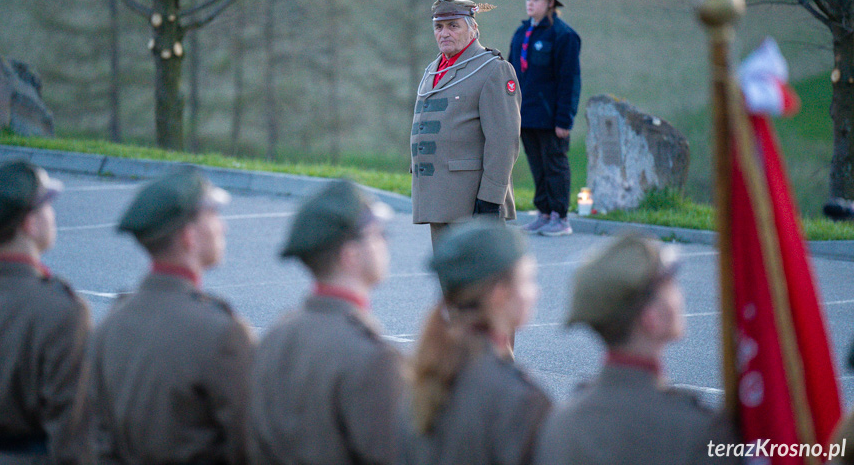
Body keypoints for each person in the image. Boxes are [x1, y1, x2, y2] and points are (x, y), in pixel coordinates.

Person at [90, 166, 254, 464]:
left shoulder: (111, 323)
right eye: (213, 215)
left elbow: (98, 439)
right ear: (189, 236)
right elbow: (249, 445)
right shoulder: (221, 333)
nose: (224, 227)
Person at [533, 232, 740, 465]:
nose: (679, 295)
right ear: (651, 318)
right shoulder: (698, 430)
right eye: (669, 284)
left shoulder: (562, 423)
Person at [247, 179, 405, 465]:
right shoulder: (375, 358)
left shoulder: (275, 337)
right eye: (377, 234)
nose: (386, 242)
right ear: (350, 256)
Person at [401, 220, 551, 465]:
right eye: (527, 280)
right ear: (500, 295)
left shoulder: (421, 377)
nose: (536, 292)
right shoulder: (520, 399)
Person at [0, 161, 92, 464]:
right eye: (47, 206)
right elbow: (72, 432)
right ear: (30, 224)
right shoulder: (61, 310)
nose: (53, 214)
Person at [411, 0, 522, 246]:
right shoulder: (434, 69)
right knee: (449, 281)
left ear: (473, 29)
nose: (444, 33)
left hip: (472, 202)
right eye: (439, 27)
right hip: (437, 198)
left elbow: (504, 140)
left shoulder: (493, 69)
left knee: (480, 282)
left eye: (453, 26)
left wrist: (492, 198)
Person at [508, 0, 581, 236]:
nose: (530, 3)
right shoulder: (522, 33)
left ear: (550, 3)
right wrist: (509, 110)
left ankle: (560, 218)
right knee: (537, 165)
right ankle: (544, 213)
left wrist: (564, 120)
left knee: (555, 165)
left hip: (551, 118)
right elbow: (511, 74)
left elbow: (569, 80)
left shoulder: (564, 36)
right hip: (525, 115)